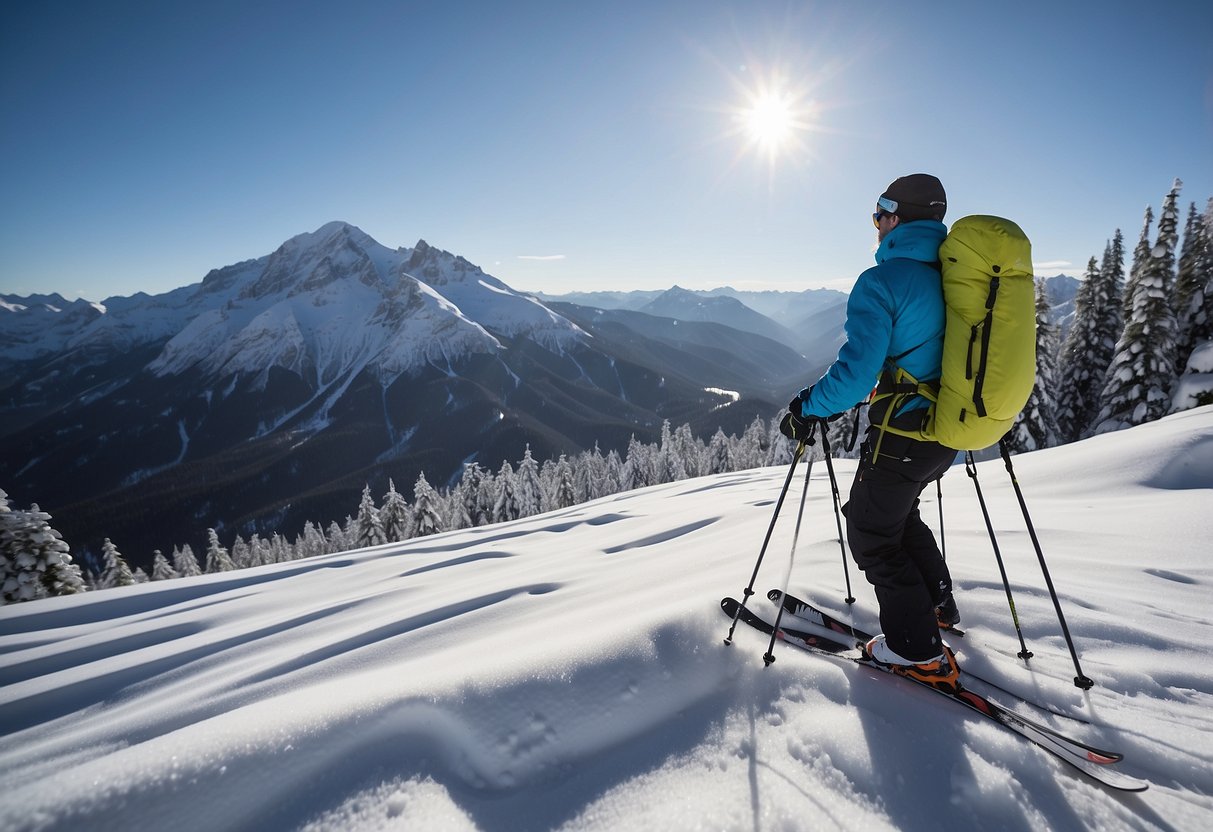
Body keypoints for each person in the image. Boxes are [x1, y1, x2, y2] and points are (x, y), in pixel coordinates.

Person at [780, 173, 960, 691]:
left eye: (880, 210)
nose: (876, 221)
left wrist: (809, 407)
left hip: (902, 432)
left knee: (869, 530)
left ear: (899, 217)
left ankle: (917, 650)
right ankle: (937, 605)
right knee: (898, 517)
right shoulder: (952, 278)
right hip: (945, 430)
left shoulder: (882, 281)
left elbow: (858, 372)